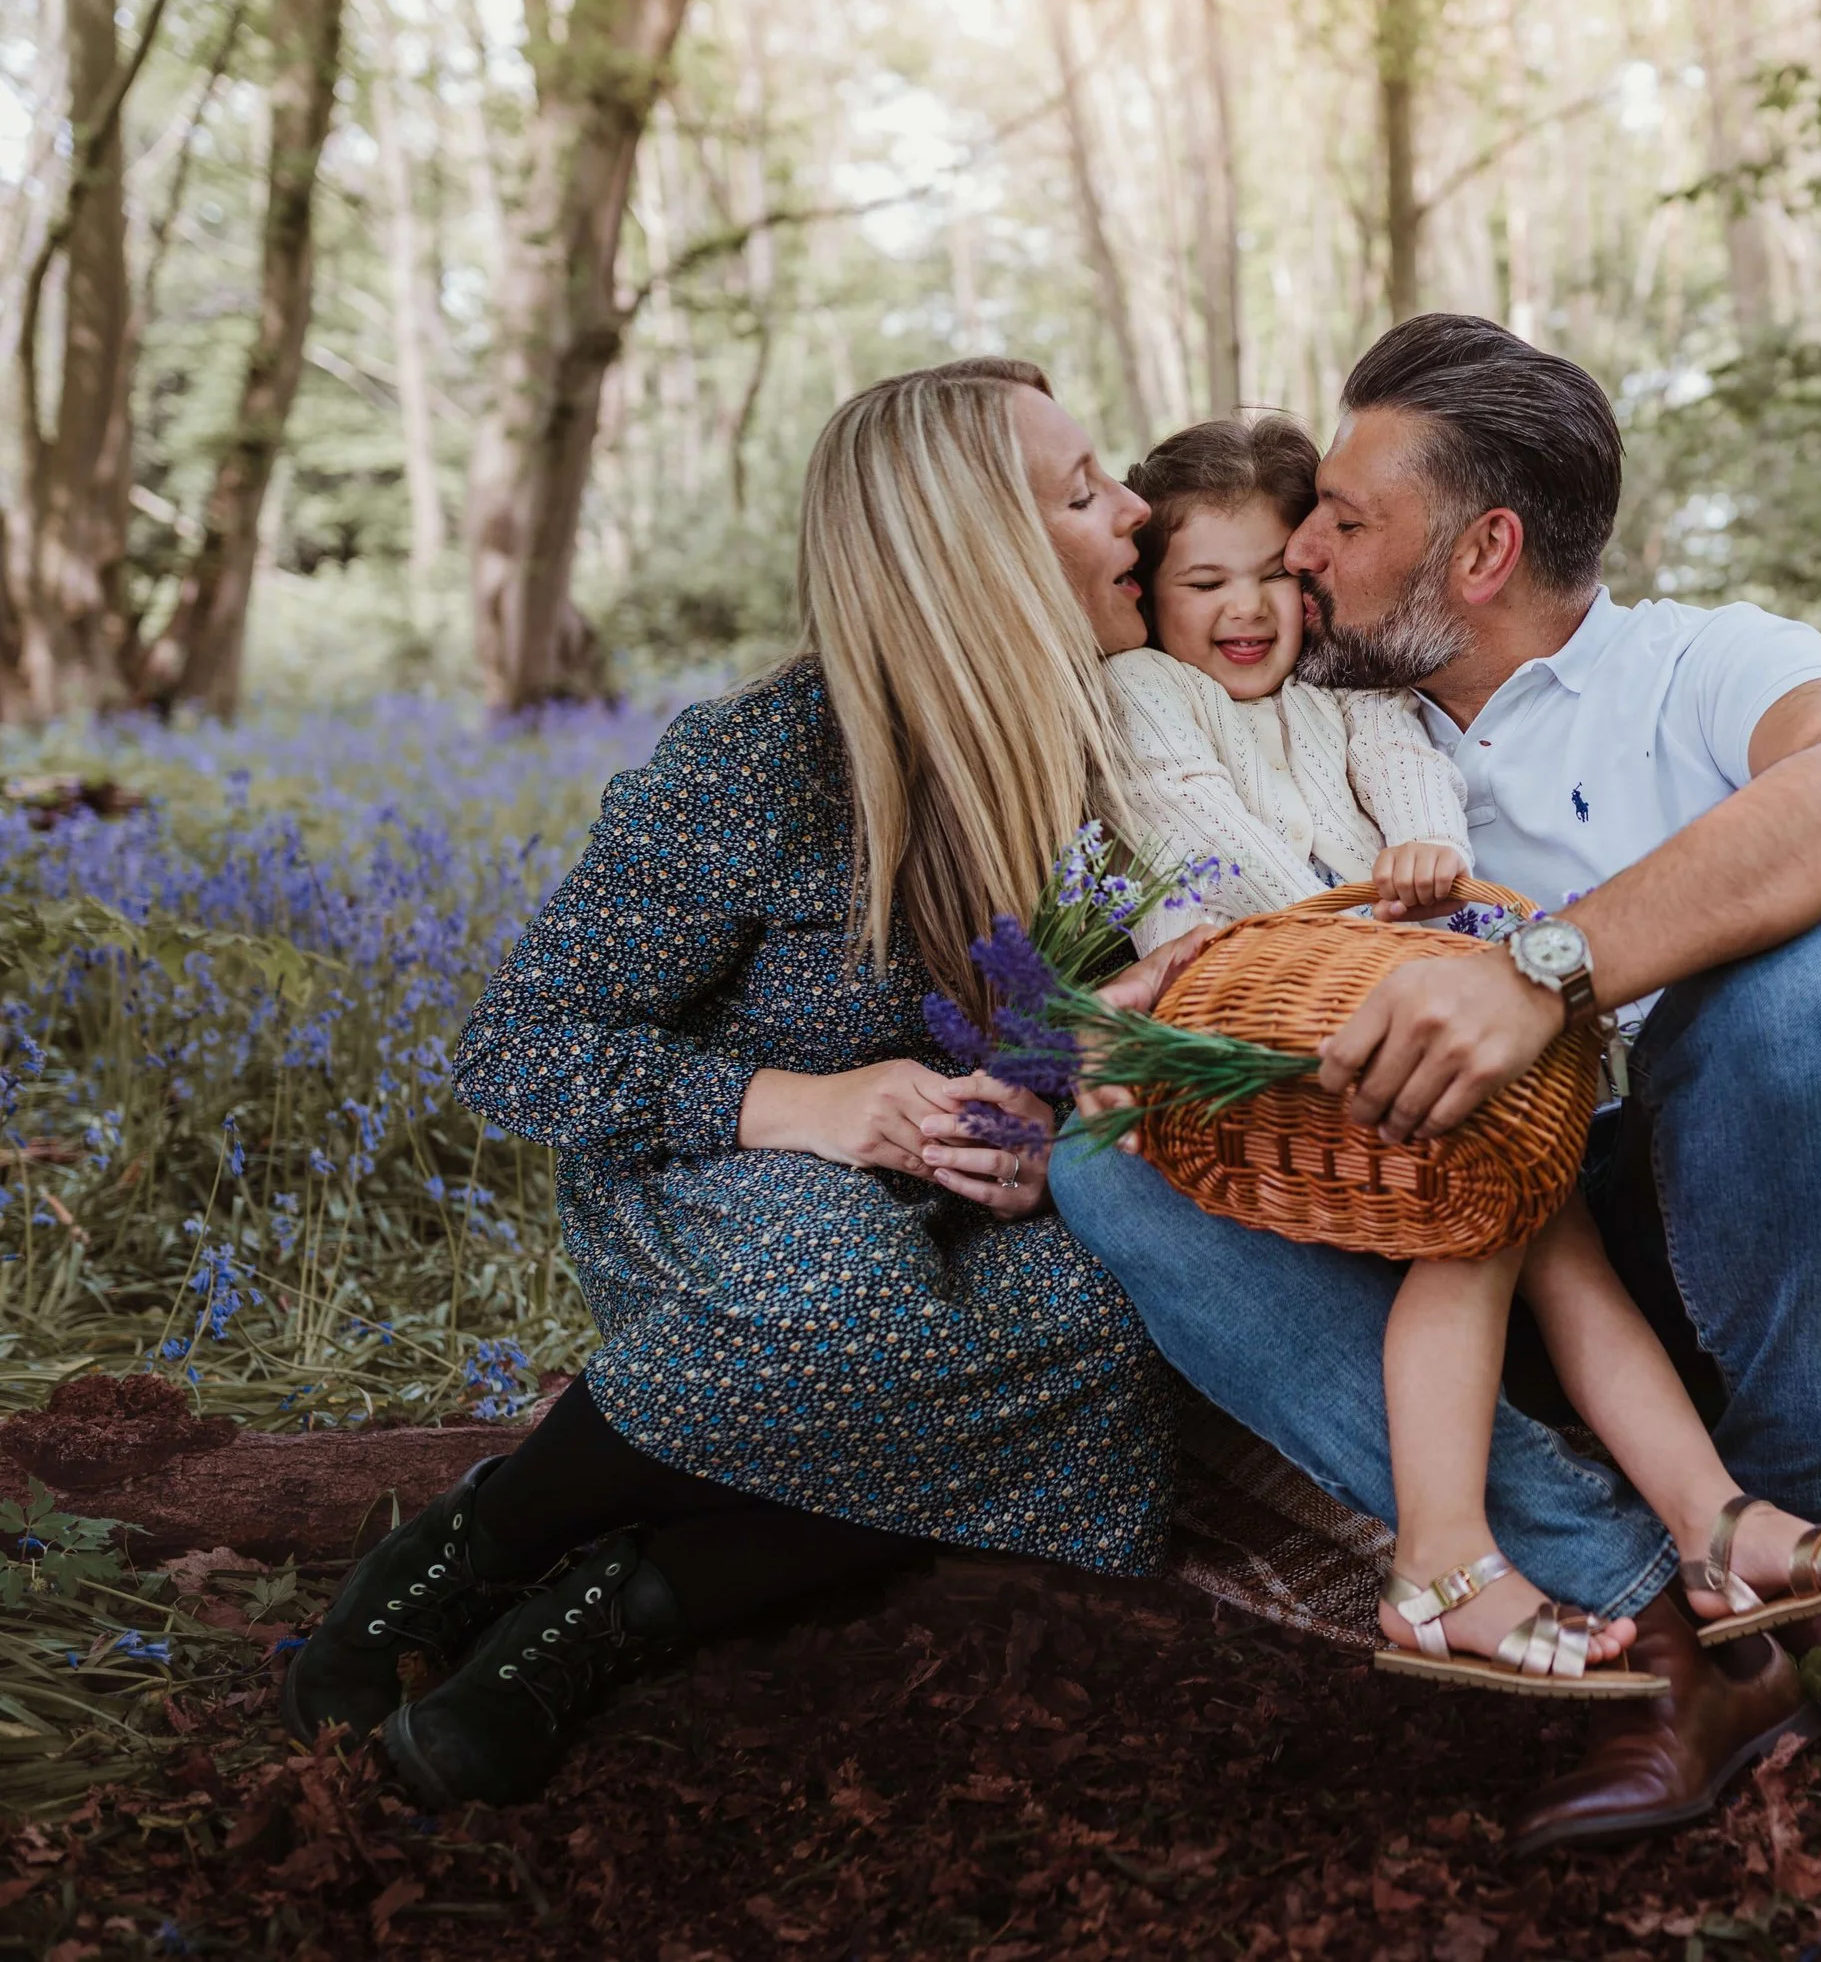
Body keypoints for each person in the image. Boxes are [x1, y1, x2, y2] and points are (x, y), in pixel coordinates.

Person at [1053, 314, 1821, 1850]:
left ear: (1480, 553)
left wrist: (1539, 975)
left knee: (1802, 990)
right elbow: (1196, 882)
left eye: (1343, 521)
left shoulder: (1700, 661)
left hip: (1720, 1204)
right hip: (1423, 1231)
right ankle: (1653, 1635)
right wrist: (1143, 1016)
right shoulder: (1309, 711)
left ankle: (1802, 1536)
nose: (1301, 552)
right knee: (1107, 1156)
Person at [280, 357, 1196, 1806]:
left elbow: (1046, 1015)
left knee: (1116, 1336)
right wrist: (803, 1106)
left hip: (956, 1214)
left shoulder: (1105, 757)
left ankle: (613, 1611)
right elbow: (516, 1047)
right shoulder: (760, 764)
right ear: (981, 559)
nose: (1136, 508)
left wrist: (1034, 1120)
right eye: (1084, 493)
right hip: (716, 1188)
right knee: (842, 1283)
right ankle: (483, 1543)